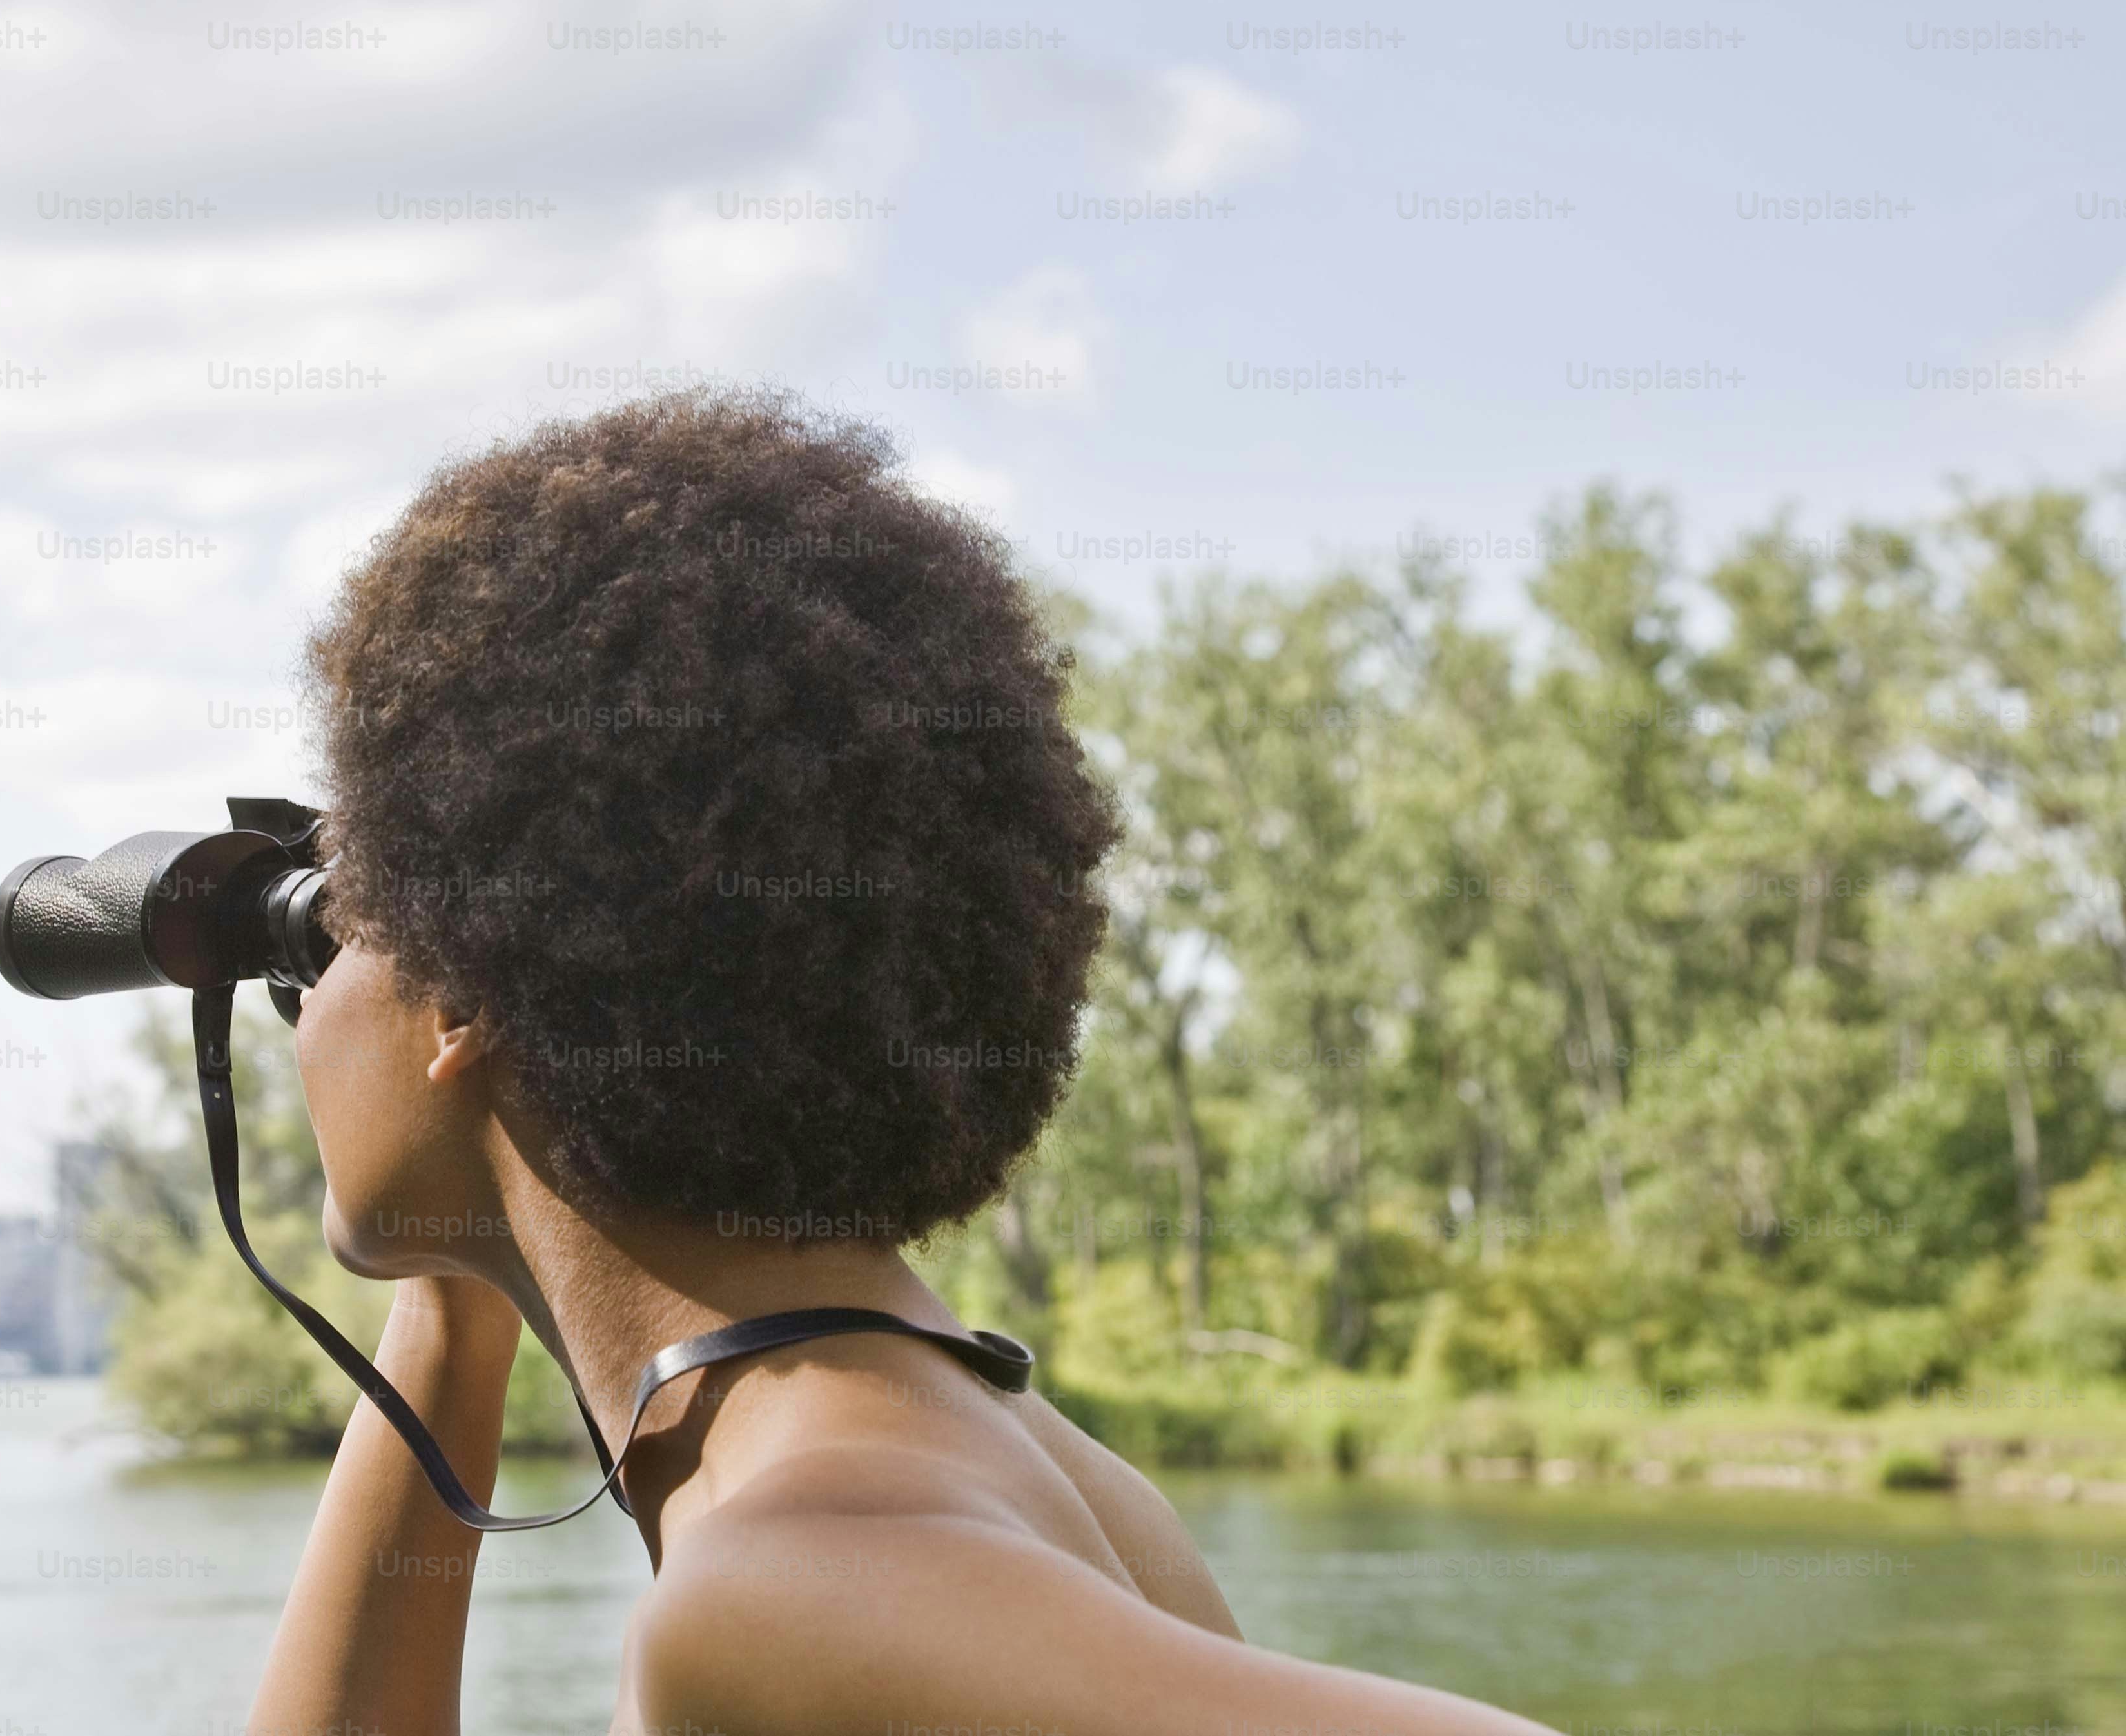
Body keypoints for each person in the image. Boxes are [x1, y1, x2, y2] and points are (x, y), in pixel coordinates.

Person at [246, 388, 1553, 1736]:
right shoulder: (1025, 1475)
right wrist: (467, 1280)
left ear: (459, 993)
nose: (314, 993)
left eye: (344, 920)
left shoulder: (787, 1582)